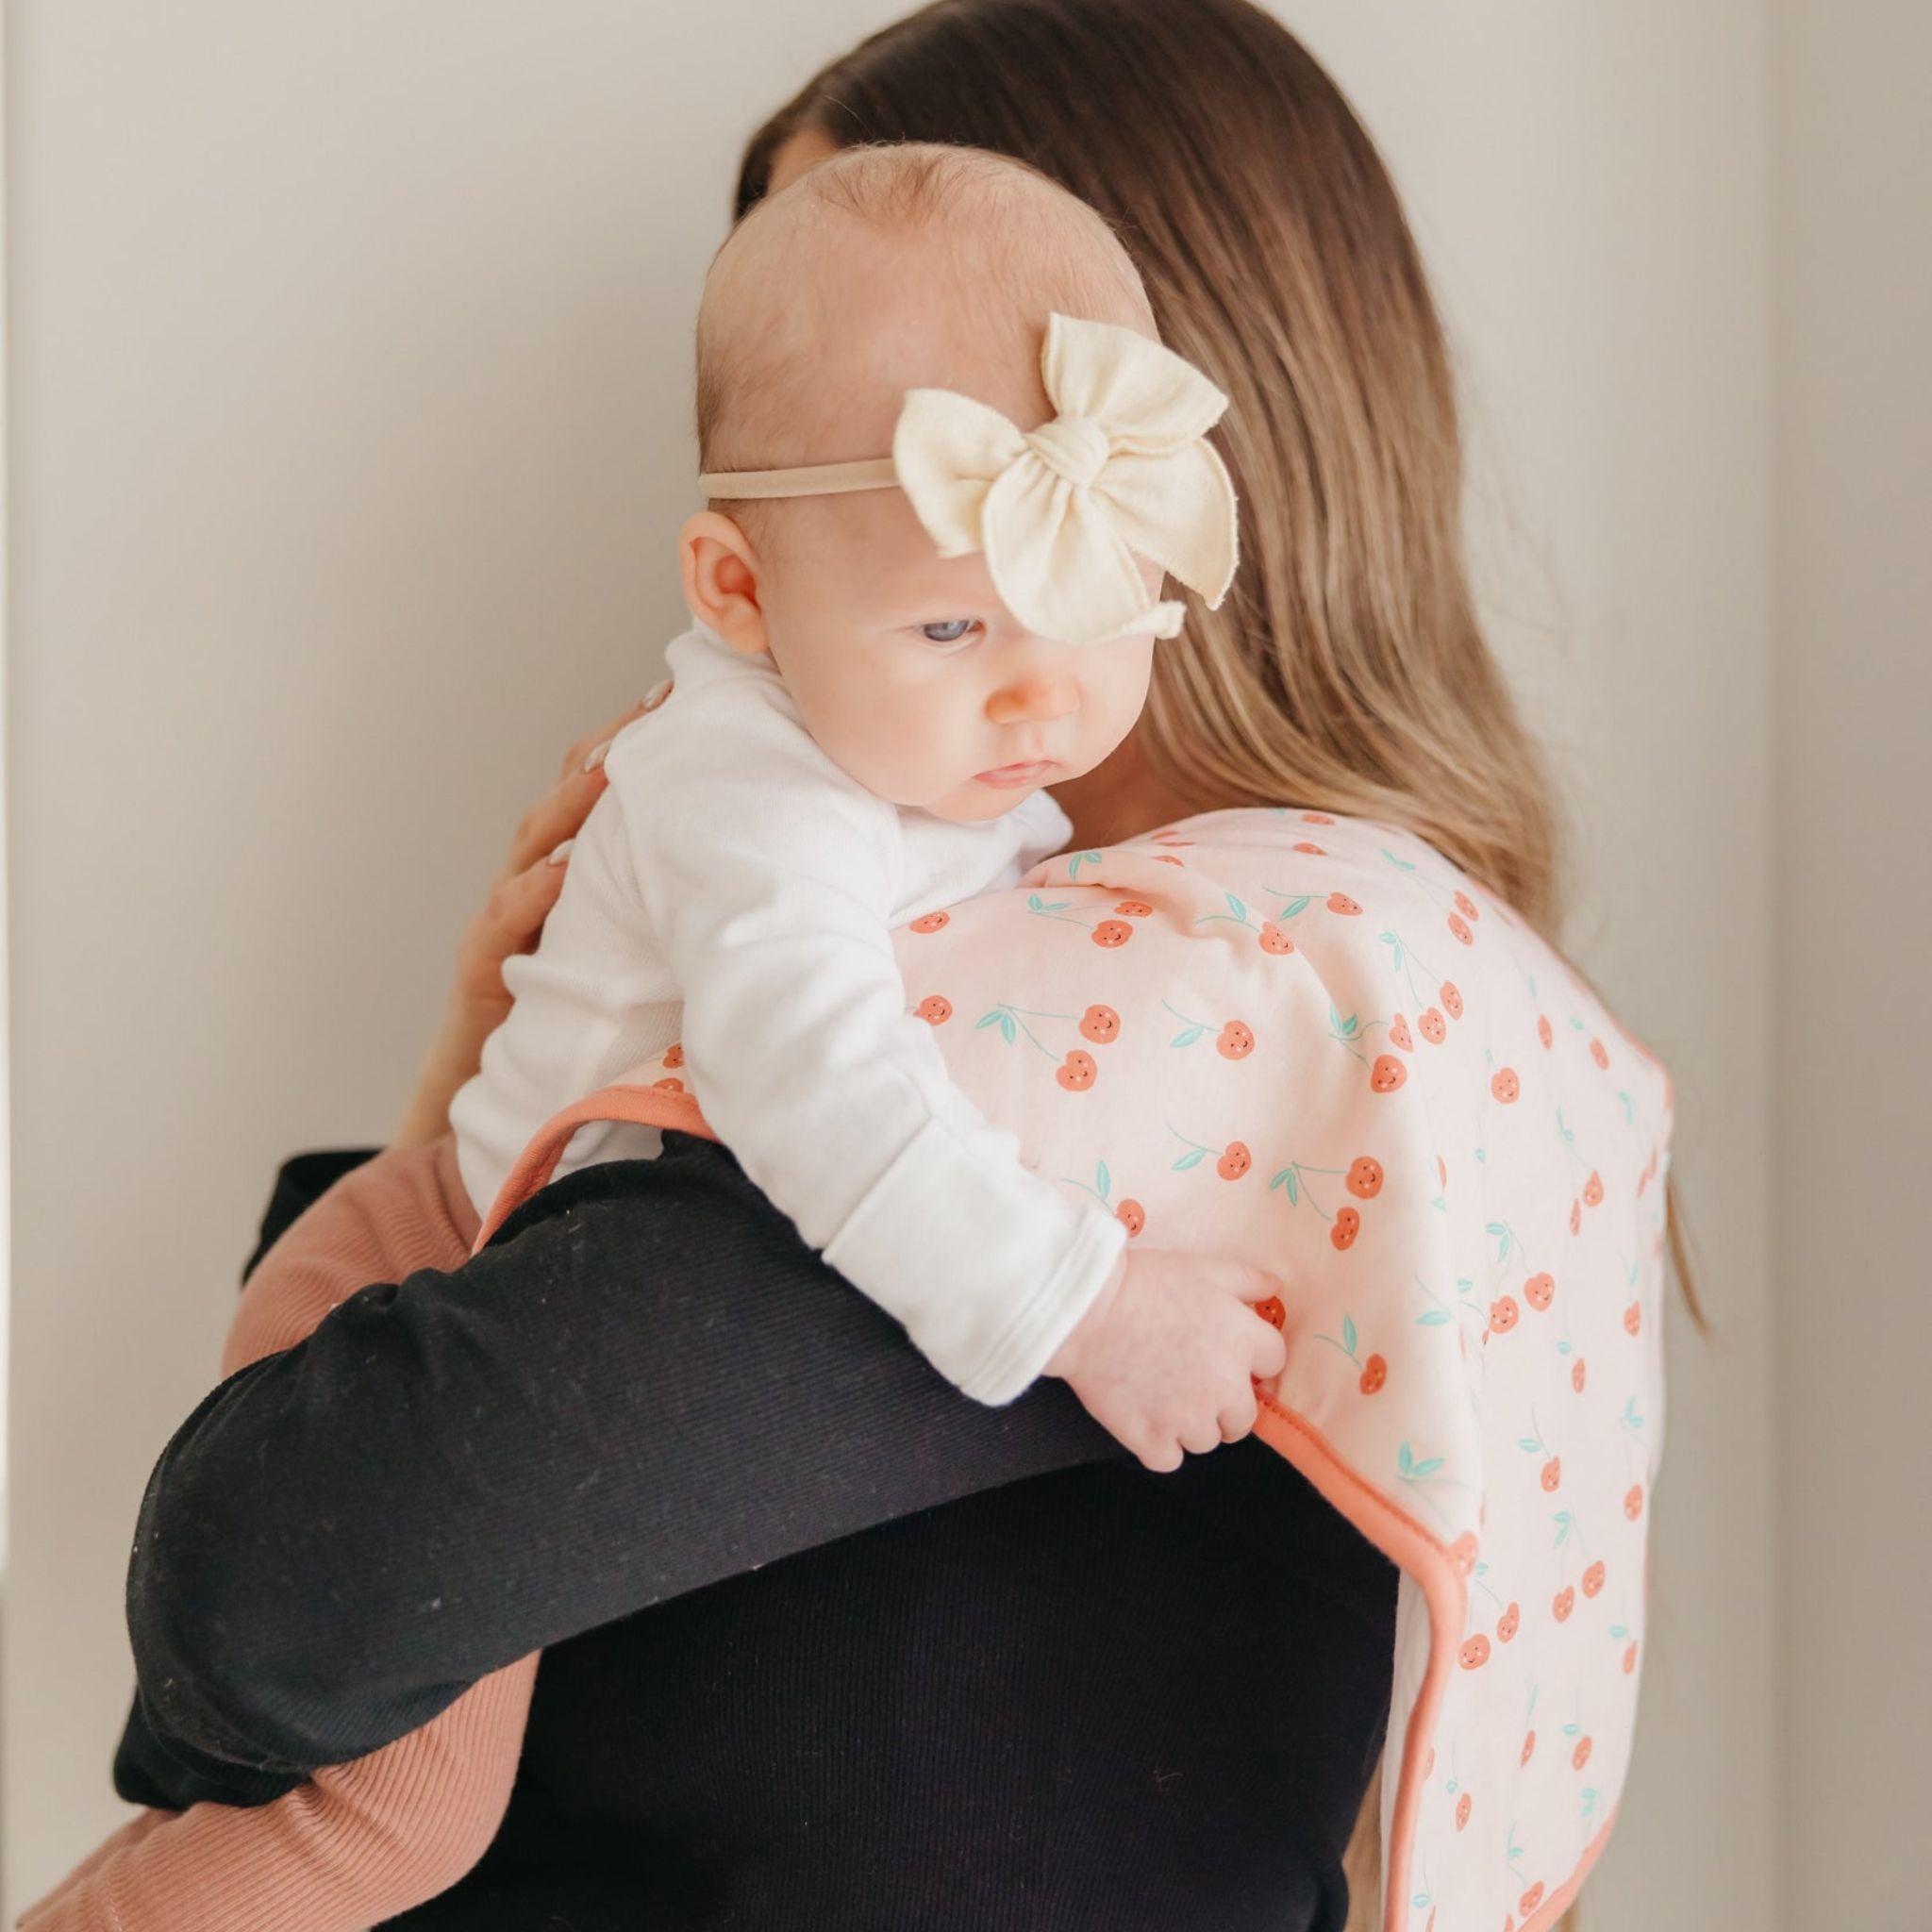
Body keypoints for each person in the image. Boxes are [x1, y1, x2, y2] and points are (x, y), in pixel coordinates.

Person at [21, 3, 1638, 1926]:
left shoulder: (1245, 994)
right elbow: (269, 1655)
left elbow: (269, 1592)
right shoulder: (1284, 977)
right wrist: (490, 1083)